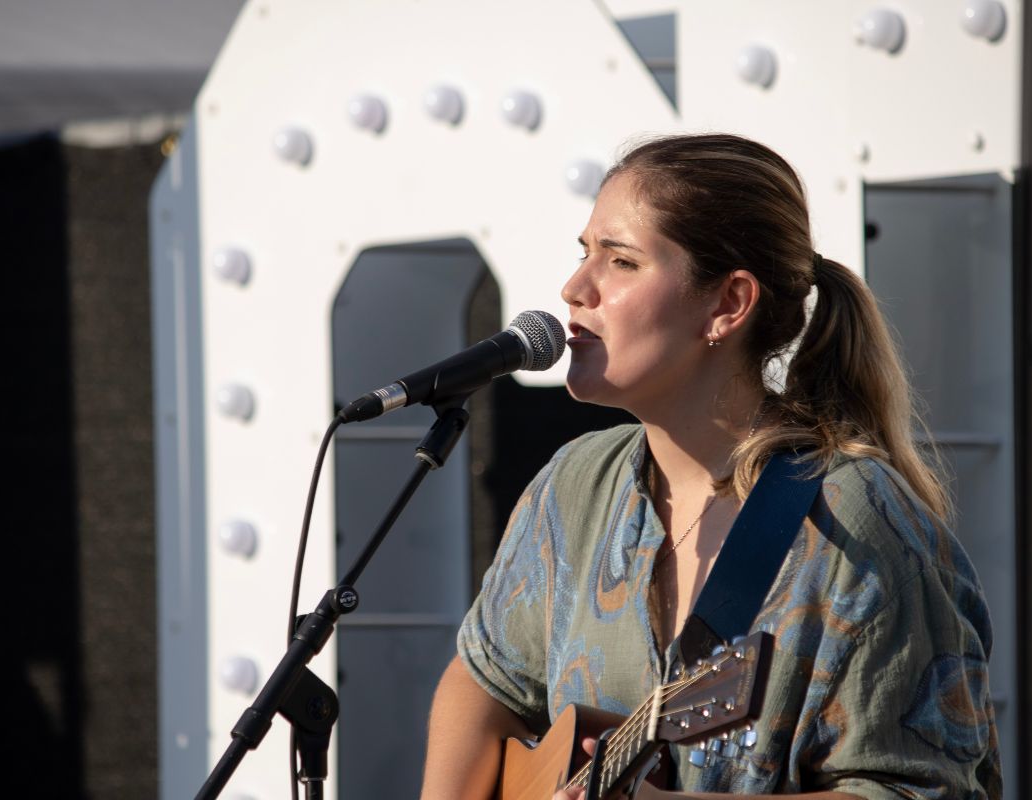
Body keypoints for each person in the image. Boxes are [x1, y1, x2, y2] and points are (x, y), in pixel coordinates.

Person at [419, 133, 1002, 799]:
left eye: (621, 261)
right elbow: (484, 677)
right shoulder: (577, 485)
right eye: (585, 254)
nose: (575, 288)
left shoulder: (855, 520)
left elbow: (917, 790)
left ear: (728, 304)